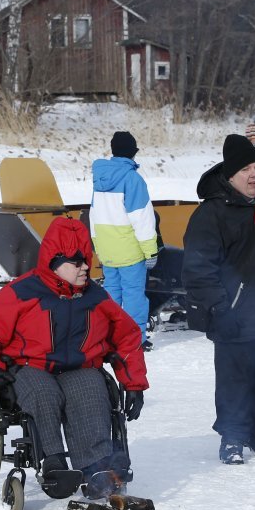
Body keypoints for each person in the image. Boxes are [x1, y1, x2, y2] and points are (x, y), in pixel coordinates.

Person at [0, 217, 148, 499]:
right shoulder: (21, 292)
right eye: (77, 262)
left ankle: (95, 468)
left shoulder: (94, 297)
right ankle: (53, 463)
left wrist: (134, 383)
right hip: (30, 367)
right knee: (43, 393)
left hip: (79, 366)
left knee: (90, 391)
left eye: (86, 260)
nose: (86, 267)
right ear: (55, 262)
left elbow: (126, 337)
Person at [183, 134, 255, 465]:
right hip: (230, 310)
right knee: (233, 377)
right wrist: (218, 307)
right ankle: (232, 436)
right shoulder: (211, 214)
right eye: (245, 169)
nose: (254, 174)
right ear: (230, 175)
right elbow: (198, 268)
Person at [90, 130, 158, 348]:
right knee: (134, 296)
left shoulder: (99, 179)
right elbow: (142, 219)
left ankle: (109, 336)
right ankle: (134, 339)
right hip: (129, 250)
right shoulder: (132, 179)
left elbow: (94, 214)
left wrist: (97, 244)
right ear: (133, 153)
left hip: (108, 249)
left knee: (111, 293)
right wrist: (150, 251)